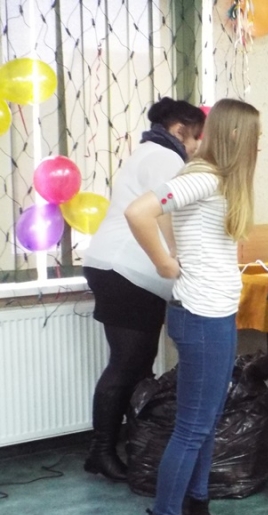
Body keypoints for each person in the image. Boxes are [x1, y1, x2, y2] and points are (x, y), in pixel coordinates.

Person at [126, 98, 260, 515]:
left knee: (206, 423)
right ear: (237, 136)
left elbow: (174, 219)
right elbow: (139, 212)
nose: (259, 146)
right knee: (192, 428)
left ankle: (195, 512)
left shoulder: (216, 180)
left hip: (214, 312)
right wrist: (166, 262)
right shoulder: (203, 178)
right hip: (200, 315)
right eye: (255, 137)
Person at [82, 97, 205, 482]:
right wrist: (182, 259)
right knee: (127, 363)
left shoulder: (150, 152)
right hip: (126, 270)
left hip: (121, 269)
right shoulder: (166, 158)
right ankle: (101, 451)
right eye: (197, 138)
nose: (197, 147)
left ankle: (133, 446)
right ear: (181, 131)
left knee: (136, 363)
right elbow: (167, 218)